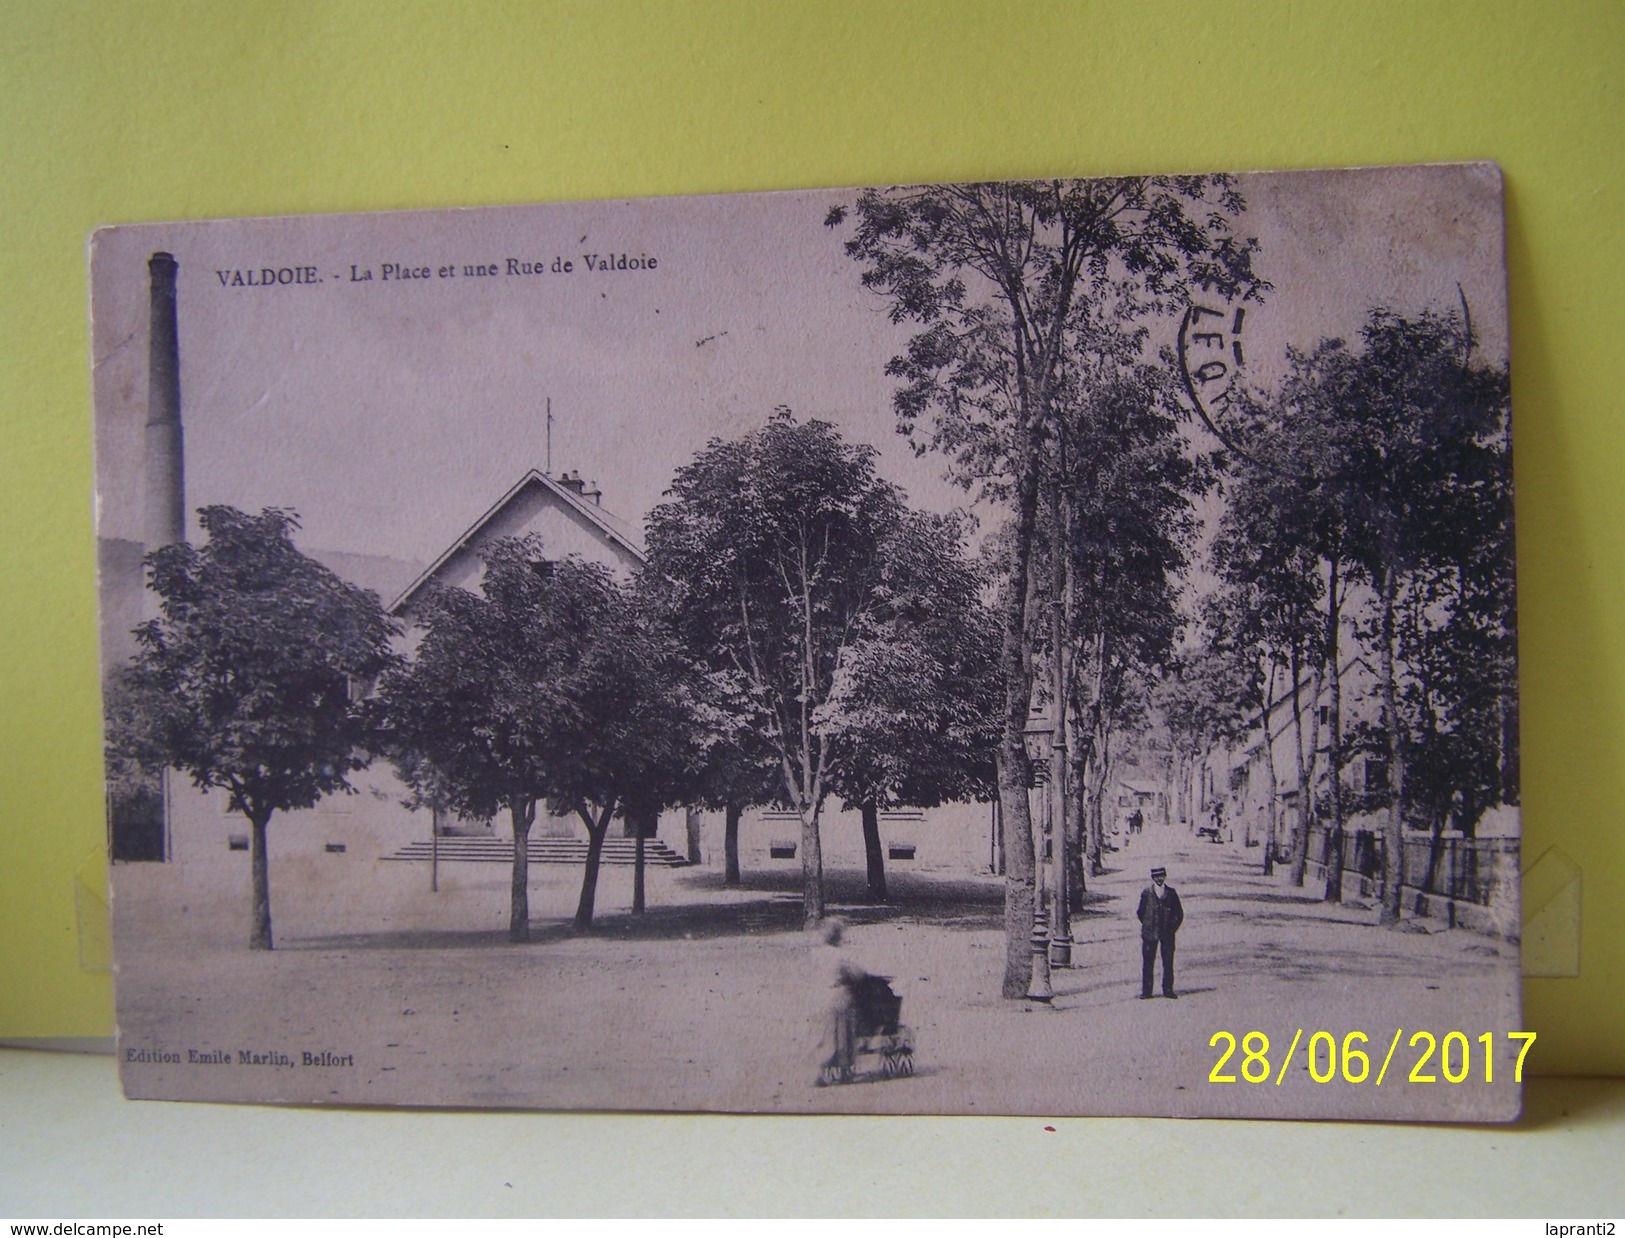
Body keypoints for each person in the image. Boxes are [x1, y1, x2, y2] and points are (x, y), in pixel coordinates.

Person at [813, 916, 867, 1085]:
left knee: (824, 1034)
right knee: (844, 1033)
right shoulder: (841, 955)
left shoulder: (817, 954)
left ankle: (822, 1069)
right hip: (839, 997)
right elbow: (858, 975)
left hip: (821, 996)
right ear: (839, 935)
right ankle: (845, 1069)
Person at [1136, 865, 1184, 999]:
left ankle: (1168, 990)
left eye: (1161, 876)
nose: (1159, 879)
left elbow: (1179, 913)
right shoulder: (1146, 893)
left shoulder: (1171, 893)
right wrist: (1148, 924)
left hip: (1167, 934)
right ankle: (1147, 991)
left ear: (1165, 877)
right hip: (1149, 933)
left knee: (1168, 962)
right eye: (1156, 877)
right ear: (1152, 878)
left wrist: (1171, 927)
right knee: (1148, 962)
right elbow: (1140, 912)